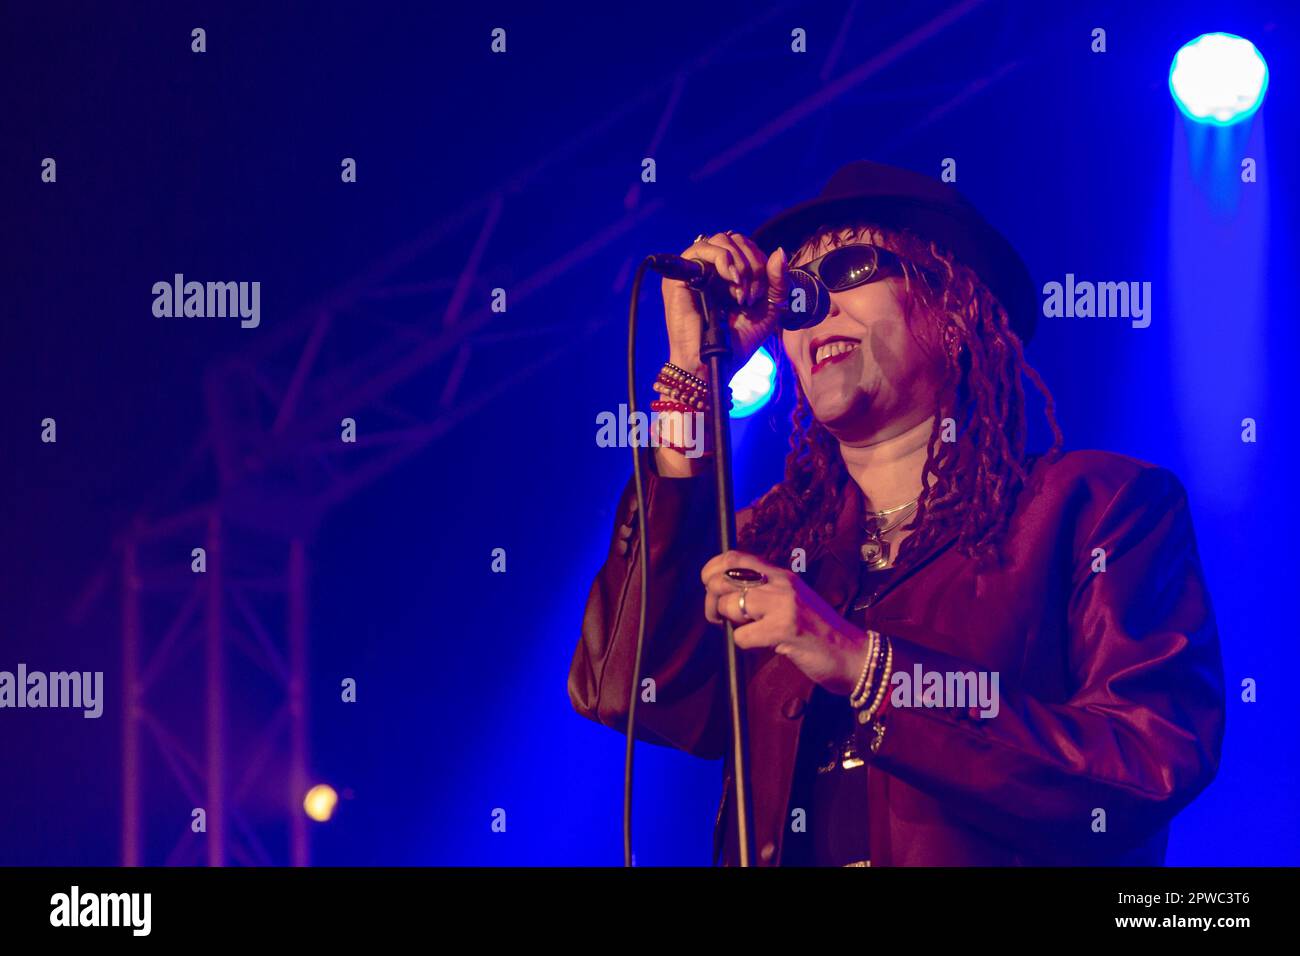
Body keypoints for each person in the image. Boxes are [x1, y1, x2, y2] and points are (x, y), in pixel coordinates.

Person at [568, 160, 1225, 866]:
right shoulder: (775, 548)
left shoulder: (1097, 508)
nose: (813, 303)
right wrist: (691, 376)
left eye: (851, 266)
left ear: (955, 306)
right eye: (795, 291)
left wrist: (868, 668)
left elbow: (1143, 765)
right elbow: (626, 688)